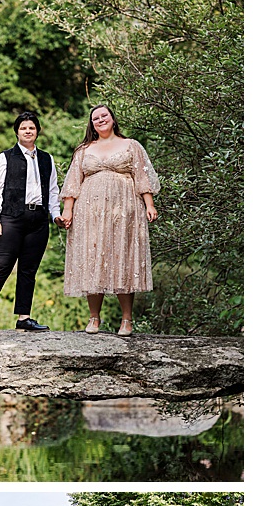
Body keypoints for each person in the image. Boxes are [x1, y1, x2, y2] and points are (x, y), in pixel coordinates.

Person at [59, 104, 159, 336]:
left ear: (113, 118)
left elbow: (142, 176)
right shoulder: (84, 150)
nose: (100, 120)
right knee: (93, 258)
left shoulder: (131, 145)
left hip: (125, 209)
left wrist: (149, 204)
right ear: (91, 124)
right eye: (96, 118)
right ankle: (94, 318)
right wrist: (68, 211)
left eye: (104, 115)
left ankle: (127, 320)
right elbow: (73, 183)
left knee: (122, 257)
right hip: (89, 212)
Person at [0, 112, 61, 335]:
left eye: (32, 127)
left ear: (38, 131)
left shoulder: (46, 159)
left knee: (28, 270)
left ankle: (24, 318)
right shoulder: (4, 158)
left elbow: (52, 191)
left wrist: (55, 215)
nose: (28, 131)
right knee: (0, 267)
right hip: (10, 219)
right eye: (23, 128)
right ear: (17, 132)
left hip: (38, 220)